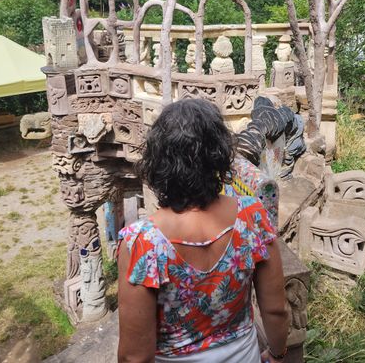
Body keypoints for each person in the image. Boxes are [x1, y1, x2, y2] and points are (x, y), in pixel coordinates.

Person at [117, 98, 290, 363]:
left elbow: (134, 356)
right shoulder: (252, 216)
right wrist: (278, 354)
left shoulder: (142, 243)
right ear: (219, 156)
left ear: (158, 161)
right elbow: (276, 309)